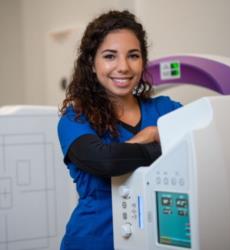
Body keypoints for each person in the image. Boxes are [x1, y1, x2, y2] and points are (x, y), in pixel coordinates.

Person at [57, 9, 182, 250]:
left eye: (133, 55)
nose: (123, 66)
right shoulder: (76, 119)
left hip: (158, 239)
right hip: (94, 241)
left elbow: (203, 147)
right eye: (110, 56)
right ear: (92, 63)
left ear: (143, 61)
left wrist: (136, 149)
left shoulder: (165, 109)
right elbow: (107, 162)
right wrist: (150, 139)